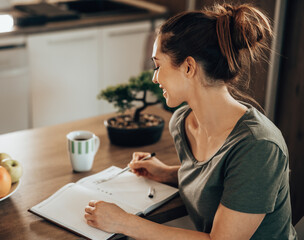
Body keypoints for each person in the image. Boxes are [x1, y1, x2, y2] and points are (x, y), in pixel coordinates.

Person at [84, 3, 297, 239]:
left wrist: (125, 223)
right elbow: (220, 181)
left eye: (158, 65)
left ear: (188, 67)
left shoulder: (258, 147)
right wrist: (168, 173)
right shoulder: (182, 123)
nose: (154, 78)